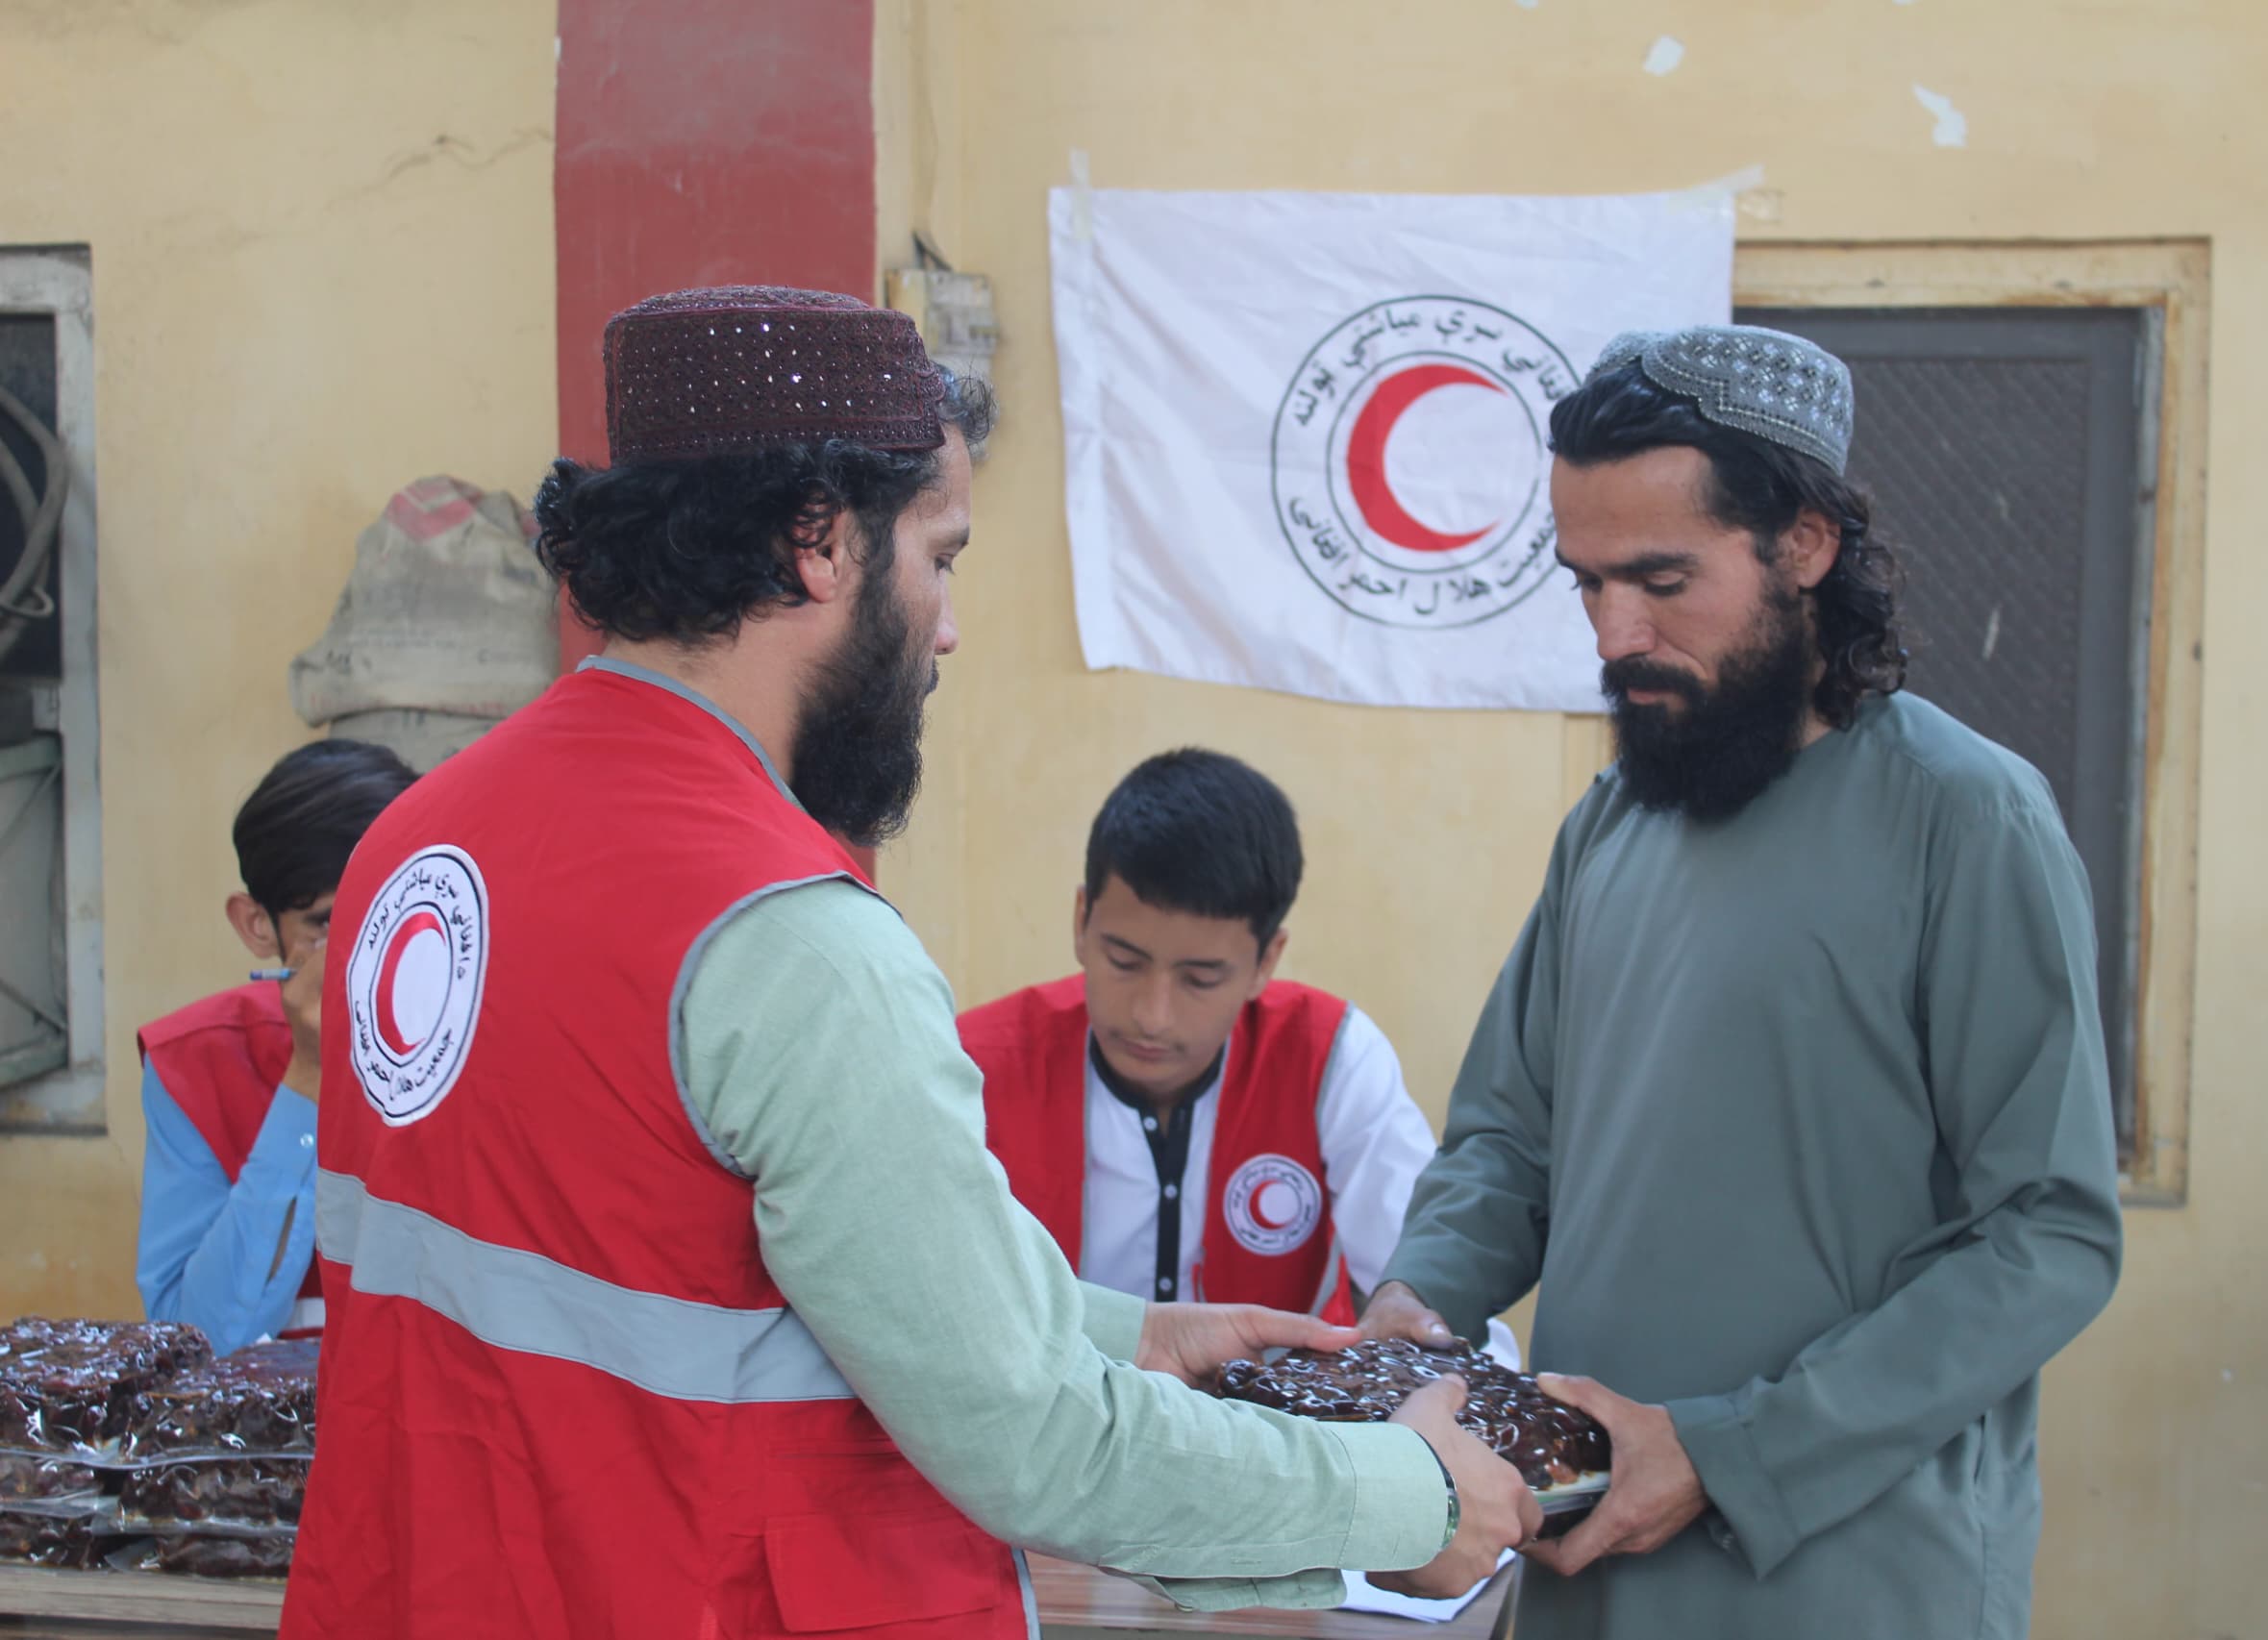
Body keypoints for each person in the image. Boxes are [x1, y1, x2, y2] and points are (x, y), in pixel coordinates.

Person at [281, 287, 1533, 1640]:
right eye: (941, 556)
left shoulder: (423, 839)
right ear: (821, 544)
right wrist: (1401, 1493)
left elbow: (671, 1265)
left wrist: (1122, 1330)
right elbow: (1037, 1442)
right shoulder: (791, 937)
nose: (946, 628)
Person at [1358, 325, 2126, 1640]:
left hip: (1849, 1578)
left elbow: (2048, 1235)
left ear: (1806, 544)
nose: (1615, 633)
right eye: (1587, 585)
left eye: (1661, 579)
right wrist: (1417, 1306)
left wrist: (1729, 1449)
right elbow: (1510, 1135)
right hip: (1586, 1563)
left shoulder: (1968, 819)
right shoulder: (1612, 824)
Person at [966, 747, 1514, 1362]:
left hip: (1285, 1438)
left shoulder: (1329, 1056)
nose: (1153, 1014)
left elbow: (1419, 1287)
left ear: (1266, 962)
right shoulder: (971, 1066)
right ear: (1080, 921)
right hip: (1051, 1431)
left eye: (1200, 979)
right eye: (1124, 961)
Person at [134, 738, 416, 1354]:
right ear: (257, 926)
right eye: (327, 922)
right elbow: (199, 1341)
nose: (370, 950)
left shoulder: (486, 1040)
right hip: (273, 1443)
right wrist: (309, 1076)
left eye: (390, 914)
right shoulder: (194, 1064)